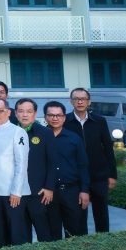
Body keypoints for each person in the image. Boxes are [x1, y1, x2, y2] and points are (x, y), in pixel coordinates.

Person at [64, 88, 117, 233]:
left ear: (89, 102)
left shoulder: (99, 121)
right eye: (76, 99)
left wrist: (112, 174)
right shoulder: (65, 121)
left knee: (101, 214)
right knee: (79, 214)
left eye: (83, 99)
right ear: (71, 101)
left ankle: (103, 240)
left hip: (98, 175)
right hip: (76, 176)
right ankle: (81, 242)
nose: (80, 102)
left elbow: (108, 148)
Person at [0, 99, 30, 246]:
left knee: (15, 234)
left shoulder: (18, 132)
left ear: (8, 112)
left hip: (12, 193)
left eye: (0, 111)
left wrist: (16, 191)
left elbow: (21, 164)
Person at [43, 101, 90, 238]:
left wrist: (84, 190)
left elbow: (83, 166)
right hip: (48, 193)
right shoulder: (40, 137)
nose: (55, 118)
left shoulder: (74, 138)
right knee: (51, 234)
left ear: (64, 117)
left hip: (72, 192)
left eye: (58, 115)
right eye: (51, 115)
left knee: (76, 232)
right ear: (45, 117)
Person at [14, 99, 56, 242]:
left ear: (35, 113)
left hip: (39, 192)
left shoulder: (45, 133)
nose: (25, 115)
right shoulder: (11, 131)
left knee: (43, 231)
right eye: (21, 111)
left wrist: (49, 187)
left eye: (29, 111)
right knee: (21, 232)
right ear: (15, 113)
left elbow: (52, 163)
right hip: (17, 192)